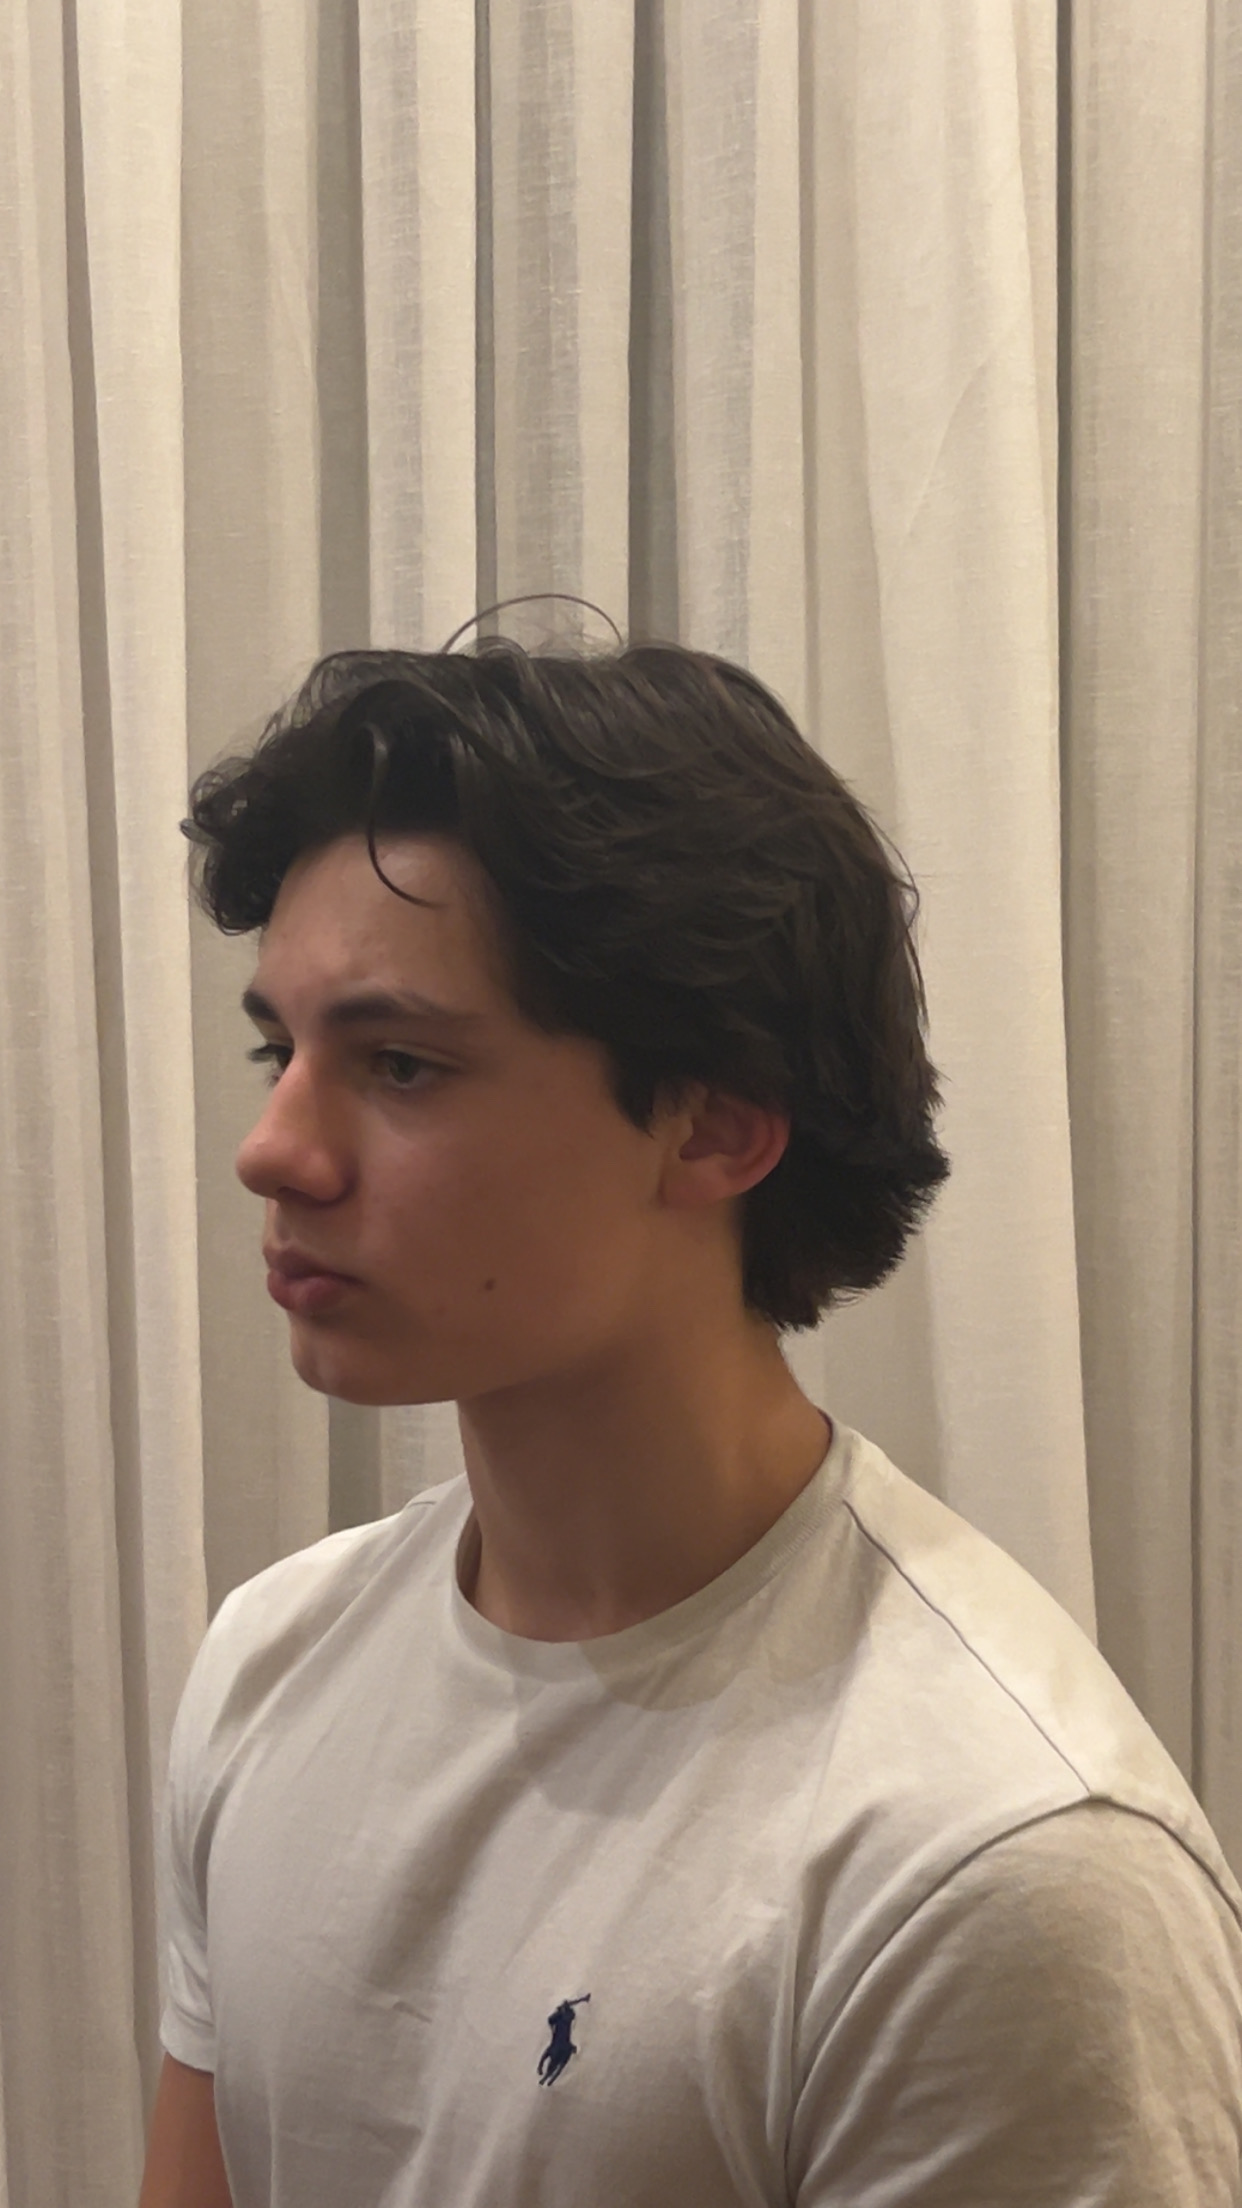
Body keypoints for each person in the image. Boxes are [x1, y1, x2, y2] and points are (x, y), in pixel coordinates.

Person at [141, 632, 1242, 2206]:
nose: (272, 1148)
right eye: (279, 1048)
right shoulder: (270, 1663)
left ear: (715, 1126)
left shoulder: (995, 1864)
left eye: (400, 1064)